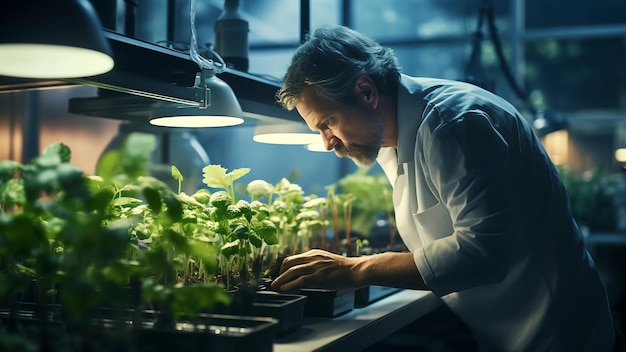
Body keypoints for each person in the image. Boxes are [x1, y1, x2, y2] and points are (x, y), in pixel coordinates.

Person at [270, 24, 623, 351]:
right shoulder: (394, 139)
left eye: (328, 123)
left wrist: (355, 269)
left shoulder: (454, 124)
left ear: (366, 91)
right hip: (512, 330)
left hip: (559, 334)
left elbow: (484, 253)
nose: (327, 143)